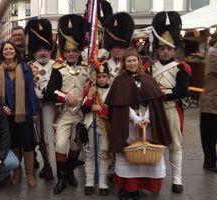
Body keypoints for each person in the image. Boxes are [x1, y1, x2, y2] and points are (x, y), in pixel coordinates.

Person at [105, 48, 172, 200]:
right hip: (128, 124)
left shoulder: (148, 78)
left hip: (147, 124)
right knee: (128, 153)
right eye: (128, 61)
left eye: (134, 60)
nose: (132, 63)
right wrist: (135, 118)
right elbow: (121, 105)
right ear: (124, 63)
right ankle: (128, 188)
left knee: (146, 152)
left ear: (139, 61)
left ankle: (145, 185)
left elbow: (153, 103)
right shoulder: (119, 80)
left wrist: (146, 117)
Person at [149, 11, 192, 193]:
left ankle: (176, 178)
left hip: (172, 109)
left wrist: (160, 93)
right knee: (156, 145)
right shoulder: (148, 67)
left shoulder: (182, 67)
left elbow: (182, 90)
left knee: (175, 144)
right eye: (162, 48)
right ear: (157, 49)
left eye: (168, 48)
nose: (165, 51)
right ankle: (157, 179)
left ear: (174, 49)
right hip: (154, 111)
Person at [0, 41, 40, 187]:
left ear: (15, 51)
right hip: (7, 115)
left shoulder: (24, 68)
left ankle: (30, 173)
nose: (8, 51)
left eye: (10, 48)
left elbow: (30, 91)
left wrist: (34, 111)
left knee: (28, 144)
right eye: (5, 49)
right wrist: (1, 107)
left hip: (24, 113)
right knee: (13, 144)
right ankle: (17, 171)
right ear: (2, 52)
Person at [52, 14, 87, 195]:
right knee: (60, 145)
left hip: (82, 114)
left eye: (74, 50)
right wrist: (66, 97)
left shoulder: (88, 68)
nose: (71, 53)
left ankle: (70, 173)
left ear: (80, 51)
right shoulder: (58, 69)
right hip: (65, 113)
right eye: (68, 51)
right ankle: (61, 178)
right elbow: (51, 91)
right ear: (64, 52)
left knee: (75, 147)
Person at [25, 18, 61, 178]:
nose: (42, 52)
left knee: (52, 138)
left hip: (54, 107)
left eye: (45, 49)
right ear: (33, 51)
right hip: (35, 107)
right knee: (38, 137)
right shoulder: (28, 66)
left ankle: (55, 168)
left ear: (50, 50)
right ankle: (46, 165)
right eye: (39, 49)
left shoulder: (58, 65)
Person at [81, 63, 111, 196]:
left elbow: (116, 110)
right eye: (99, 76)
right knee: (91, 153)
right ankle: (89, 182)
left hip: (105, 127)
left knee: (103, 153)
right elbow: (83, 109)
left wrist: (101, 109)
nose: (102, 79)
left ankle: (103, 182)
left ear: (109, 77)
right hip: (91, 124)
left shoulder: (113, 91)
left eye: (104, 76)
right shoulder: (90, 88)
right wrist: (89, 97)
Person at [199, 39, 217, 173]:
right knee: (209, 136)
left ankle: (211, 160)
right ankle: (210, 162)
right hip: (210, 104)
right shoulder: (213, 55)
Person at [103, 12, 135, 82]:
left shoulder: (133, 64)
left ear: (126, 47)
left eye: (121, 47)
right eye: (114, 47)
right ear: (110, 47)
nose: (117, 50)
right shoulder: (102, 64)